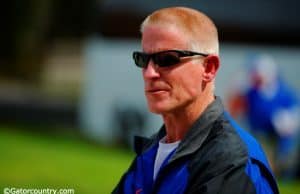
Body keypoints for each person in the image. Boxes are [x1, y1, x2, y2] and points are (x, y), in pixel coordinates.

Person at [112, 7, 279, 194]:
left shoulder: (232, 162)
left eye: (167, 59)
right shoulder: (150, 153)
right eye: (143, 59)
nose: (150, 73)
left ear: (209, 68)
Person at [227, 54, 300, 179]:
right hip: (258, 134)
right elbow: (234, 106)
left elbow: (293, 112)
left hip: (280, 136)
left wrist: (287, 121)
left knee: (280, 163)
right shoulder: (250, 91)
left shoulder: (283, 92)